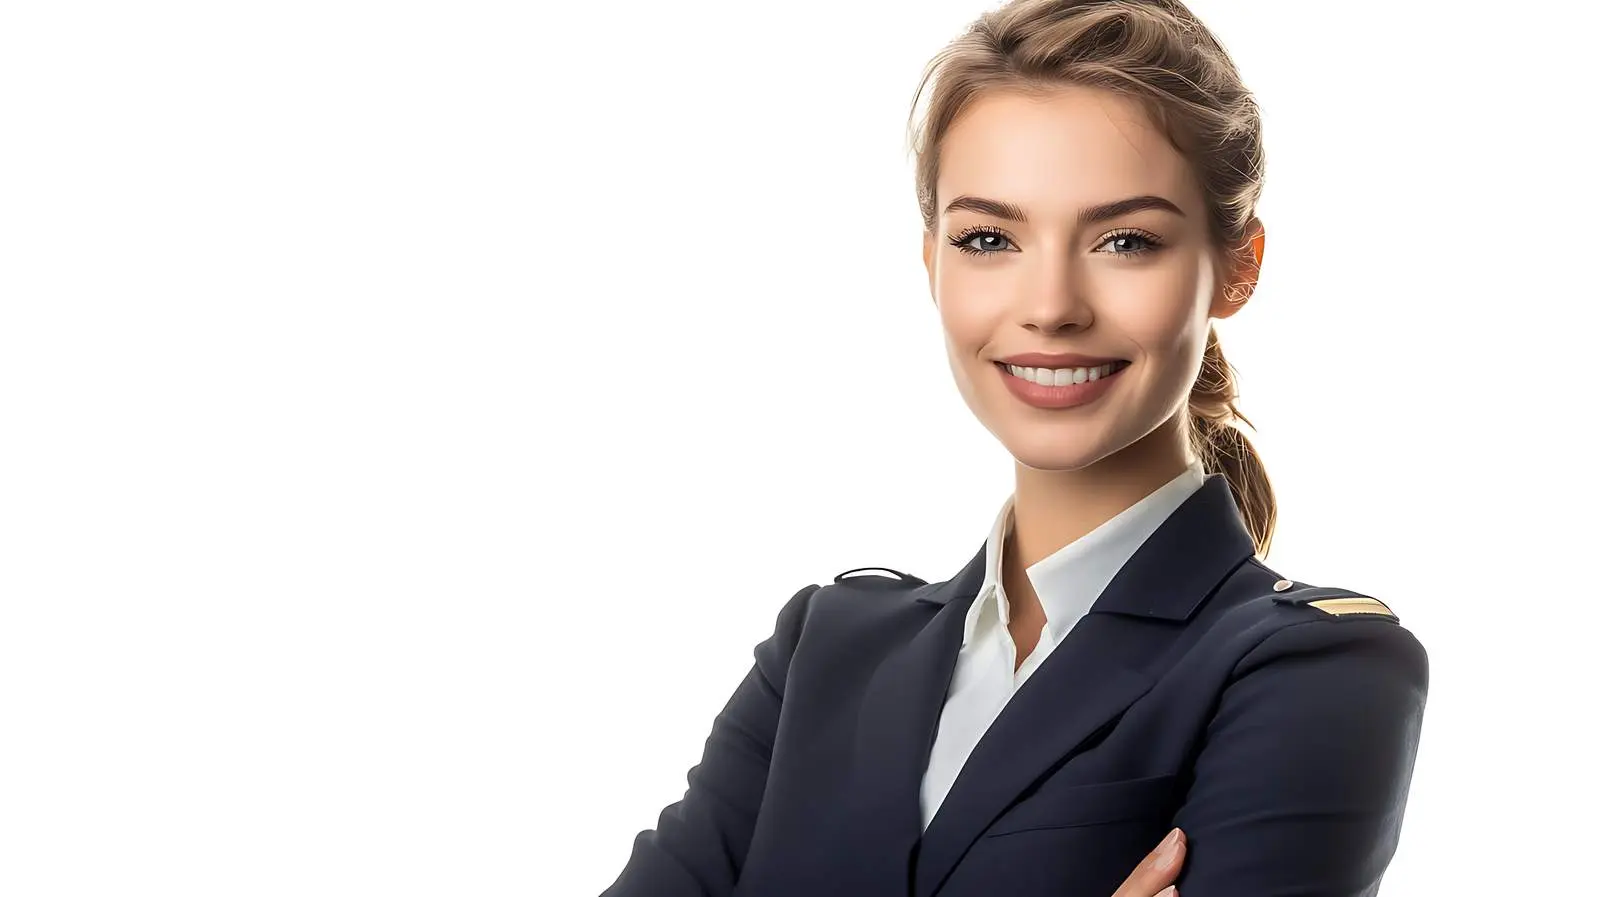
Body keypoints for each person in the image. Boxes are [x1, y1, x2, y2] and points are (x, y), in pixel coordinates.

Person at [600, 1, 1428, 895]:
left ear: (1238, 266)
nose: (1051, 306)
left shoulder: (1318, 671)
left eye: (1126, 241)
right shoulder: (823, 650)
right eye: (989, 239)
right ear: (933, 263)